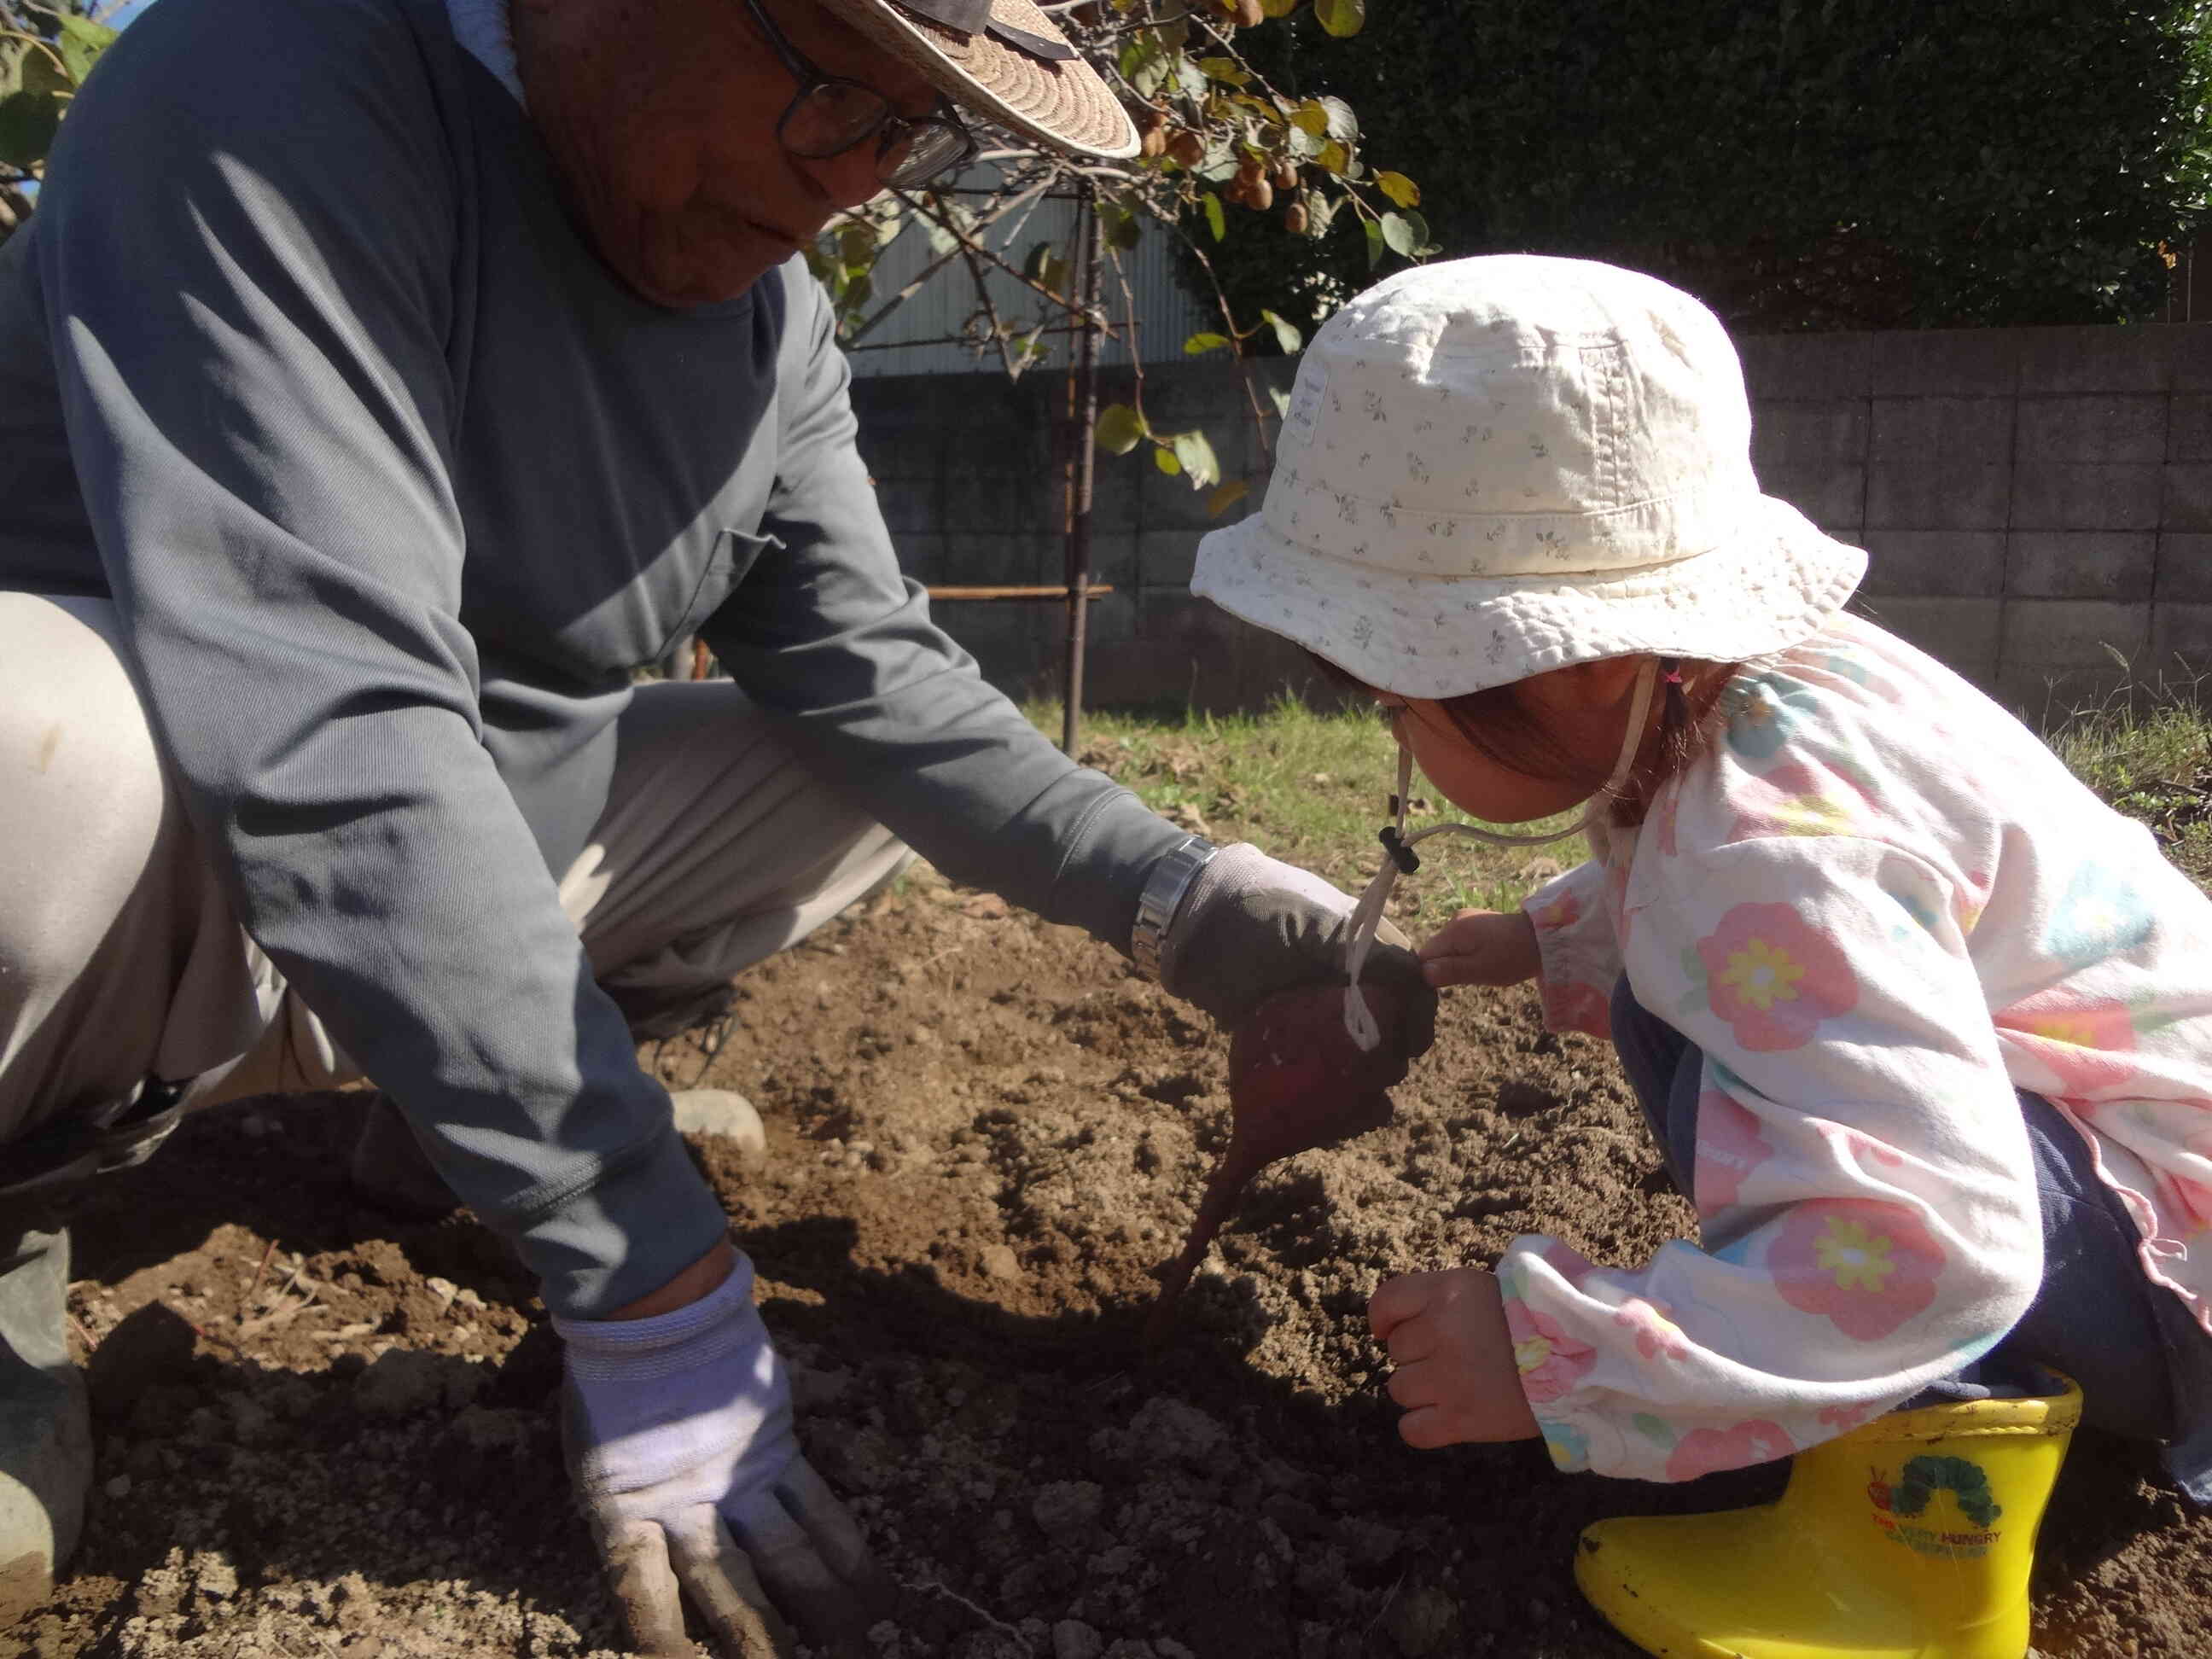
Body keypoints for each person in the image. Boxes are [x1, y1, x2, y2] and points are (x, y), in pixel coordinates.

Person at [0, 0, 1436, 1650]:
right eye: (835, 87)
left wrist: (1184, 897)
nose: (854, 183)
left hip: (428, 872)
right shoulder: (274, 92)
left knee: (832, 770)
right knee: (45, 747)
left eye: (913, 131)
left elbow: (880, 677)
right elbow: (329, 714)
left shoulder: (767, 326)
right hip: (144, 883)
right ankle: (23, 1198)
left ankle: (451, 1117)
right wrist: (650, 1277)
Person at [1190, 253, 2212, 1656]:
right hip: (2152, 1178)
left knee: (1724, 1056)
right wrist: (1558, 932)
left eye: (1402, 699)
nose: (1398, 743)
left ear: (1582, 659)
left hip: (2170, 1276)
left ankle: (1913, 1560)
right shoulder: (1771, 696)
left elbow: (1936, 1241)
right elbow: (1780, 904)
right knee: (1685, 1013)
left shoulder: (1764, 856)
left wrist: (1565, 1357)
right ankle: (1985, 1412)